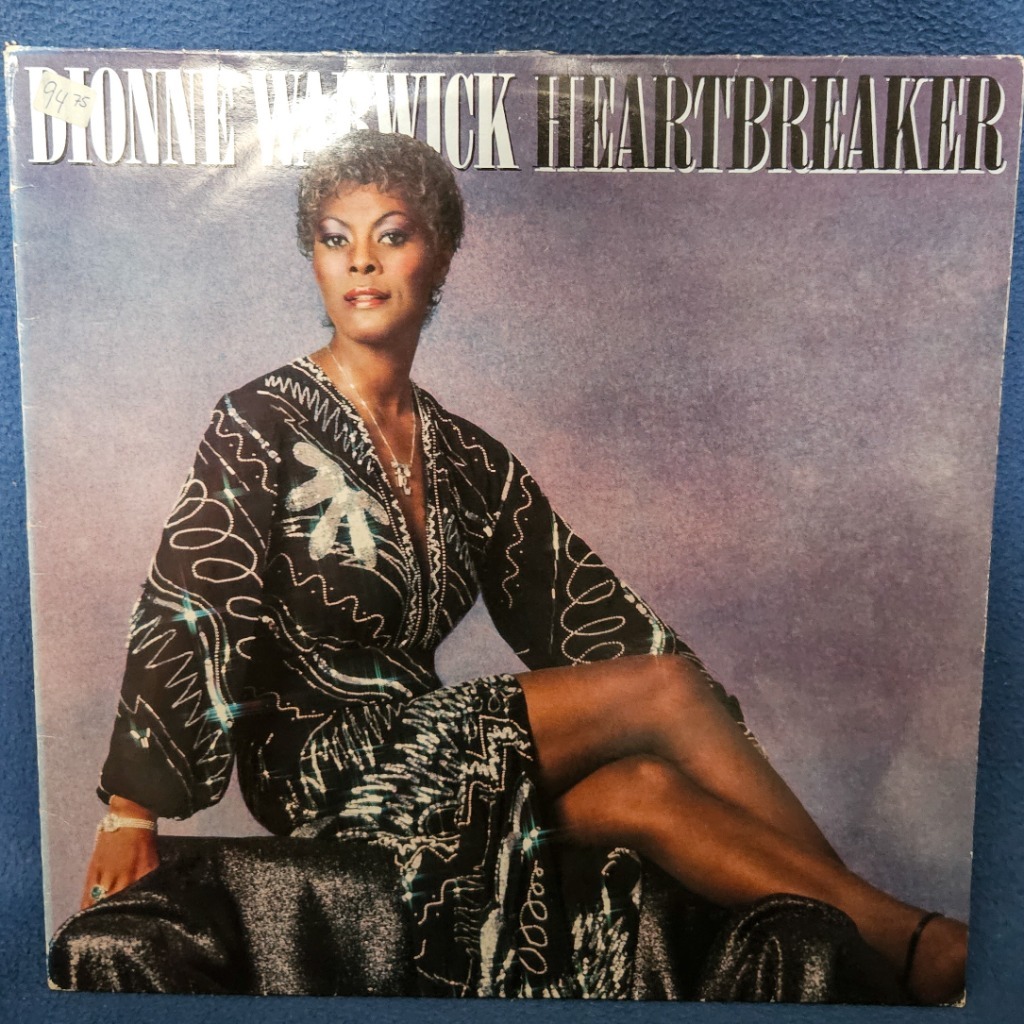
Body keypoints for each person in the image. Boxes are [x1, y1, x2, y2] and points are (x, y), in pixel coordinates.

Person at [73, 129, 965, 1003]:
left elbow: (586, 612)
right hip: (321, 765)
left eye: (392, 234)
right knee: (661, 691)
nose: (362, 262)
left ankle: (866, 942)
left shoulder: (469, 459)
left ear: (440, 255)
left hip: (442, 758)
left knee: (646, 788)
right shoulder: (258, 419)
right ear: (314, 260)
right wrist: (131, 808)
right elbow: (195, 597)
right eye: (335, 240)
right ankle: (894, 943)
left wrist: (699, 743)